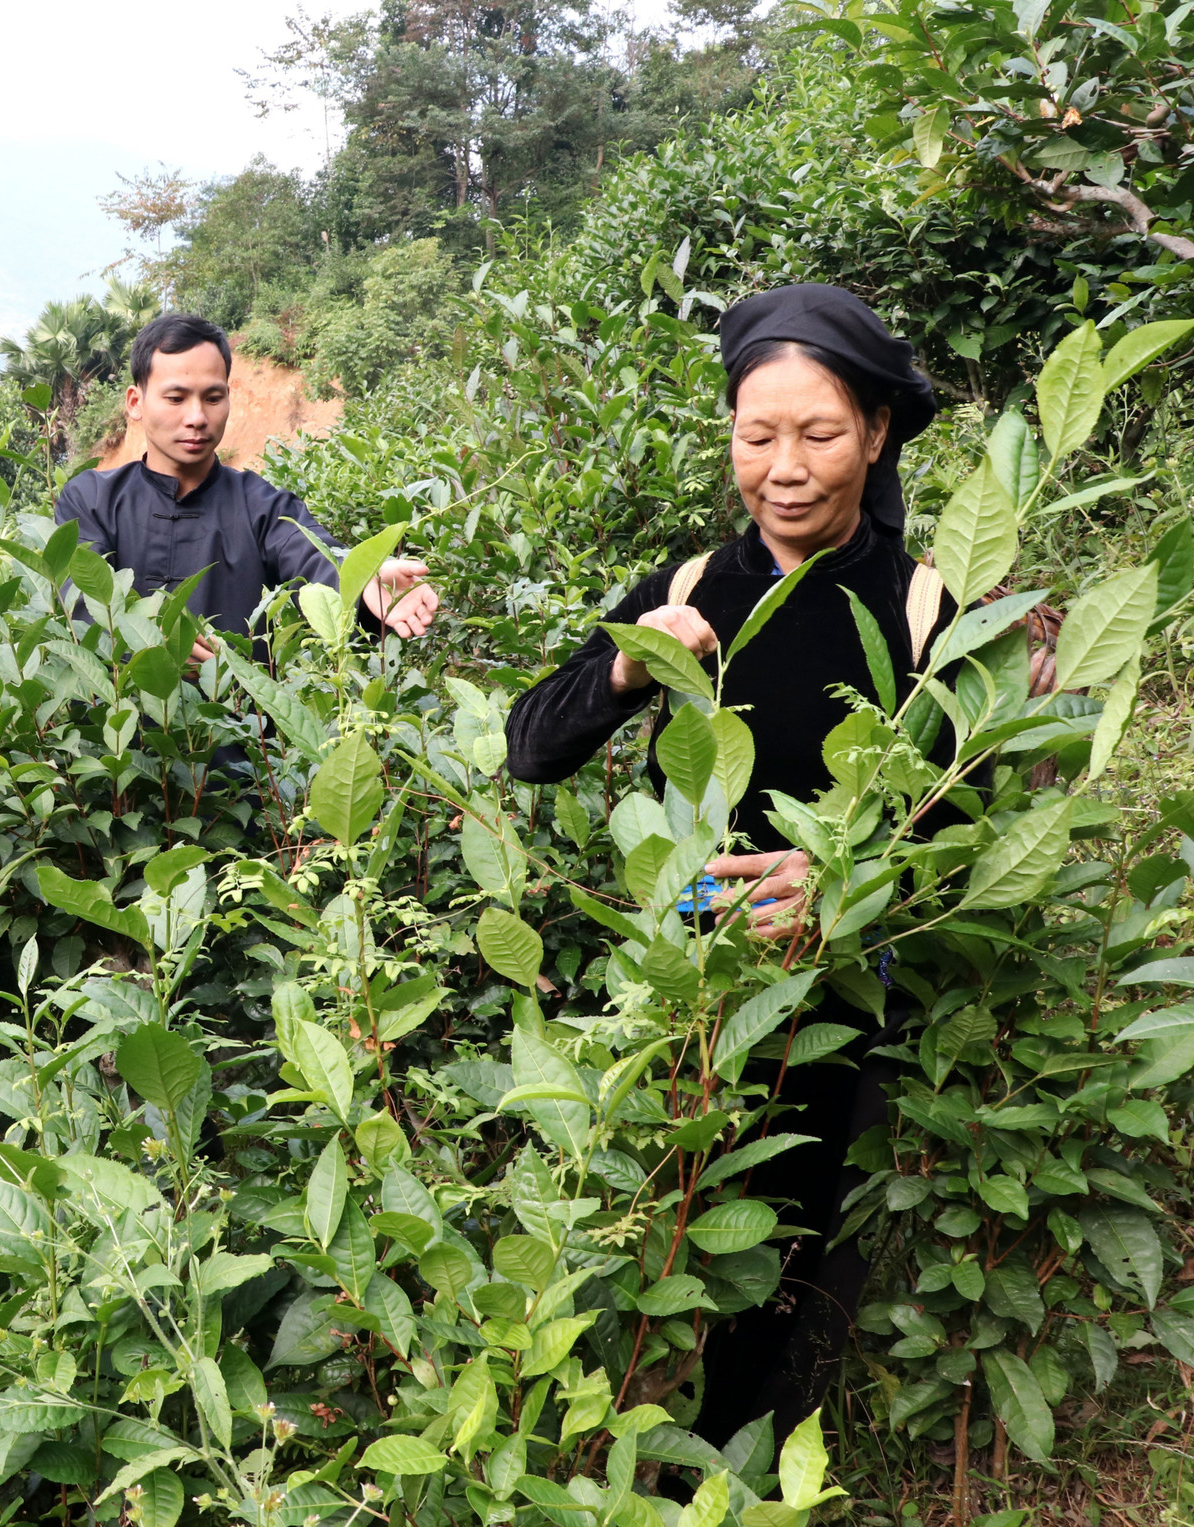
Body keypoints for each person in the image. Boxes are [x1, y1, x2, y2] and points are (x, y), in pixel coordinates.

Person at [504, 283, 950, 1447]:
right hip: (681, 990)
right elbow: (529, 745)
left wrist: (844, 884)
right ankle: (631, 1462)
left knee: (787, 1264)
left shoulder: (919, 609)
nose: (784, 468)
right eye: (758, 437)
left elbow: (970, 826)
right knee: (653, 1239)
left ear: (876, 434)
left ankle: (738, 1472)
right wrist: (631, 669)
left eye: (816, 434)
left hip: (835, 1004)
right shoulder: (693, 584)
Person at [54, 312, 441, 665]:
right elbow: (85, 606)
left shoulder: (261, 506)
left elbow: (313, 554)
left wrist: (363, 577)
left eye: (213, 397)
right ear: (136, 402)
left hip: (241, 734)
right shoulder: (90, 500)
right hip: (117, 735)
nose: (197, 417)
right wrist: (147, 641)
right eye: (175, 398)